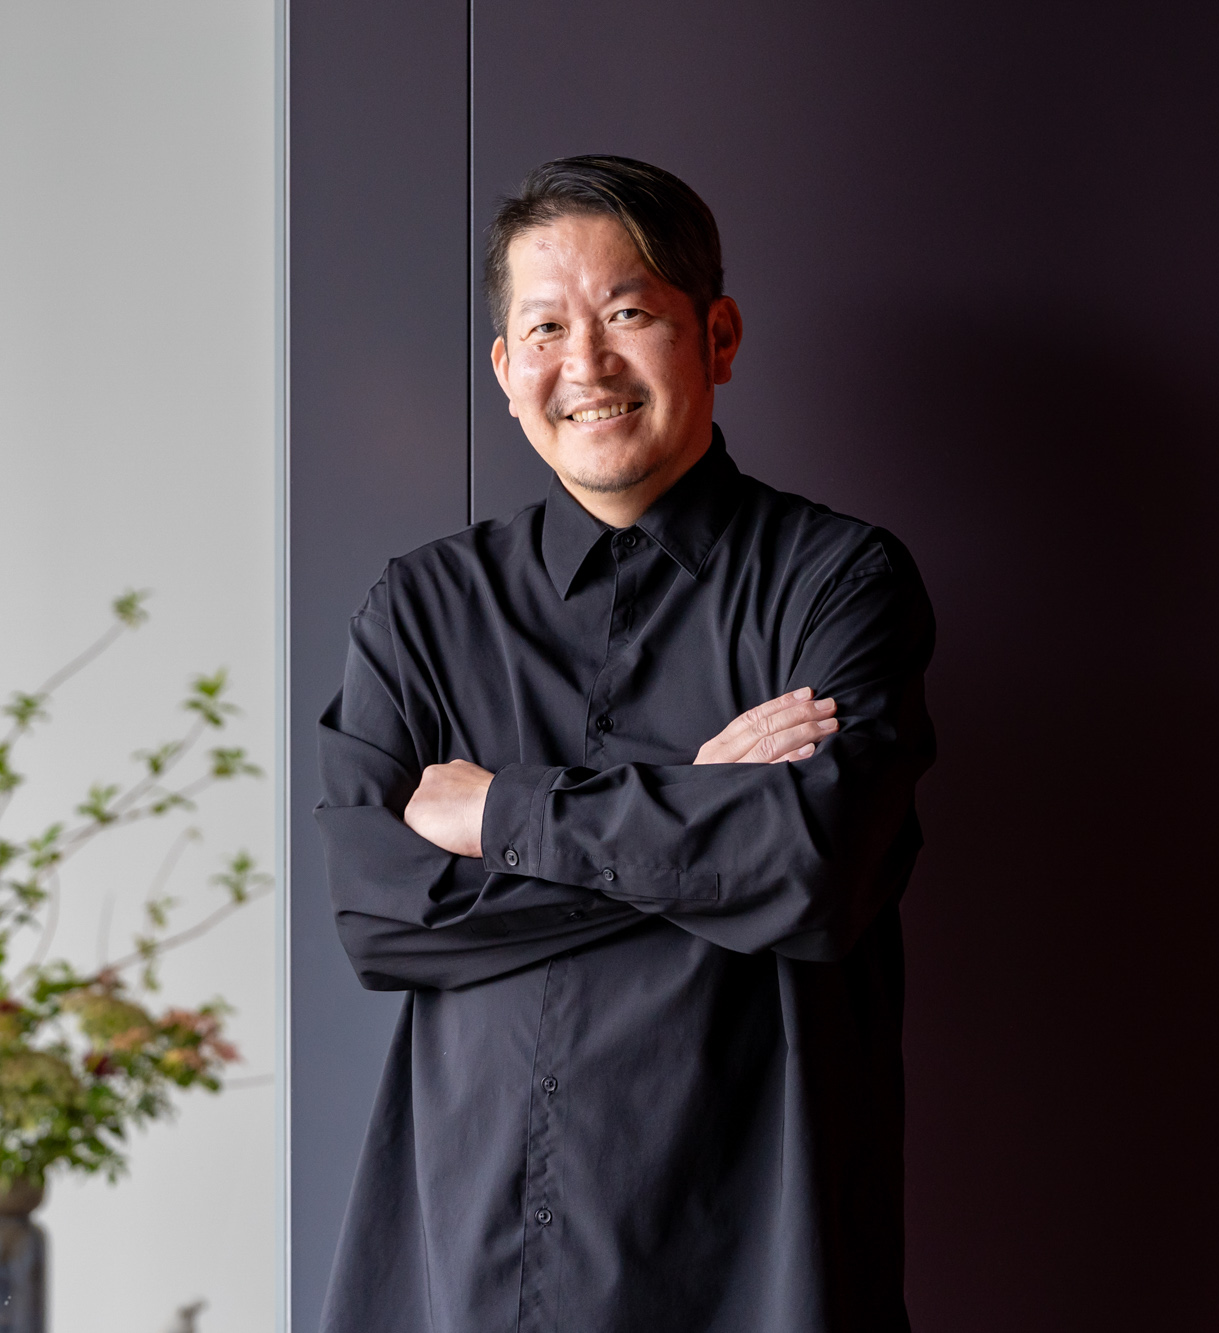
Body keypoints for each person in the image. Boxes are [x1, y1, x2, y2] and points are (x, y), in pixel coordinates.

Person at [315, 156, 935, 1332]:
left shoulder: (839, 583)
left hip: (754, 1265)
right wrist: (697, 806)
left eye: (628, 315)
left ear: (717, 335)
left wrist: (501, 816)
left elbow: (813, 870)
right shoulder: (420, 610)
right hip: (468, 1265)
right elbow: (377, 912)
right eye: (544, 328)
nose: (585, 366)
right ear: (504, 370)